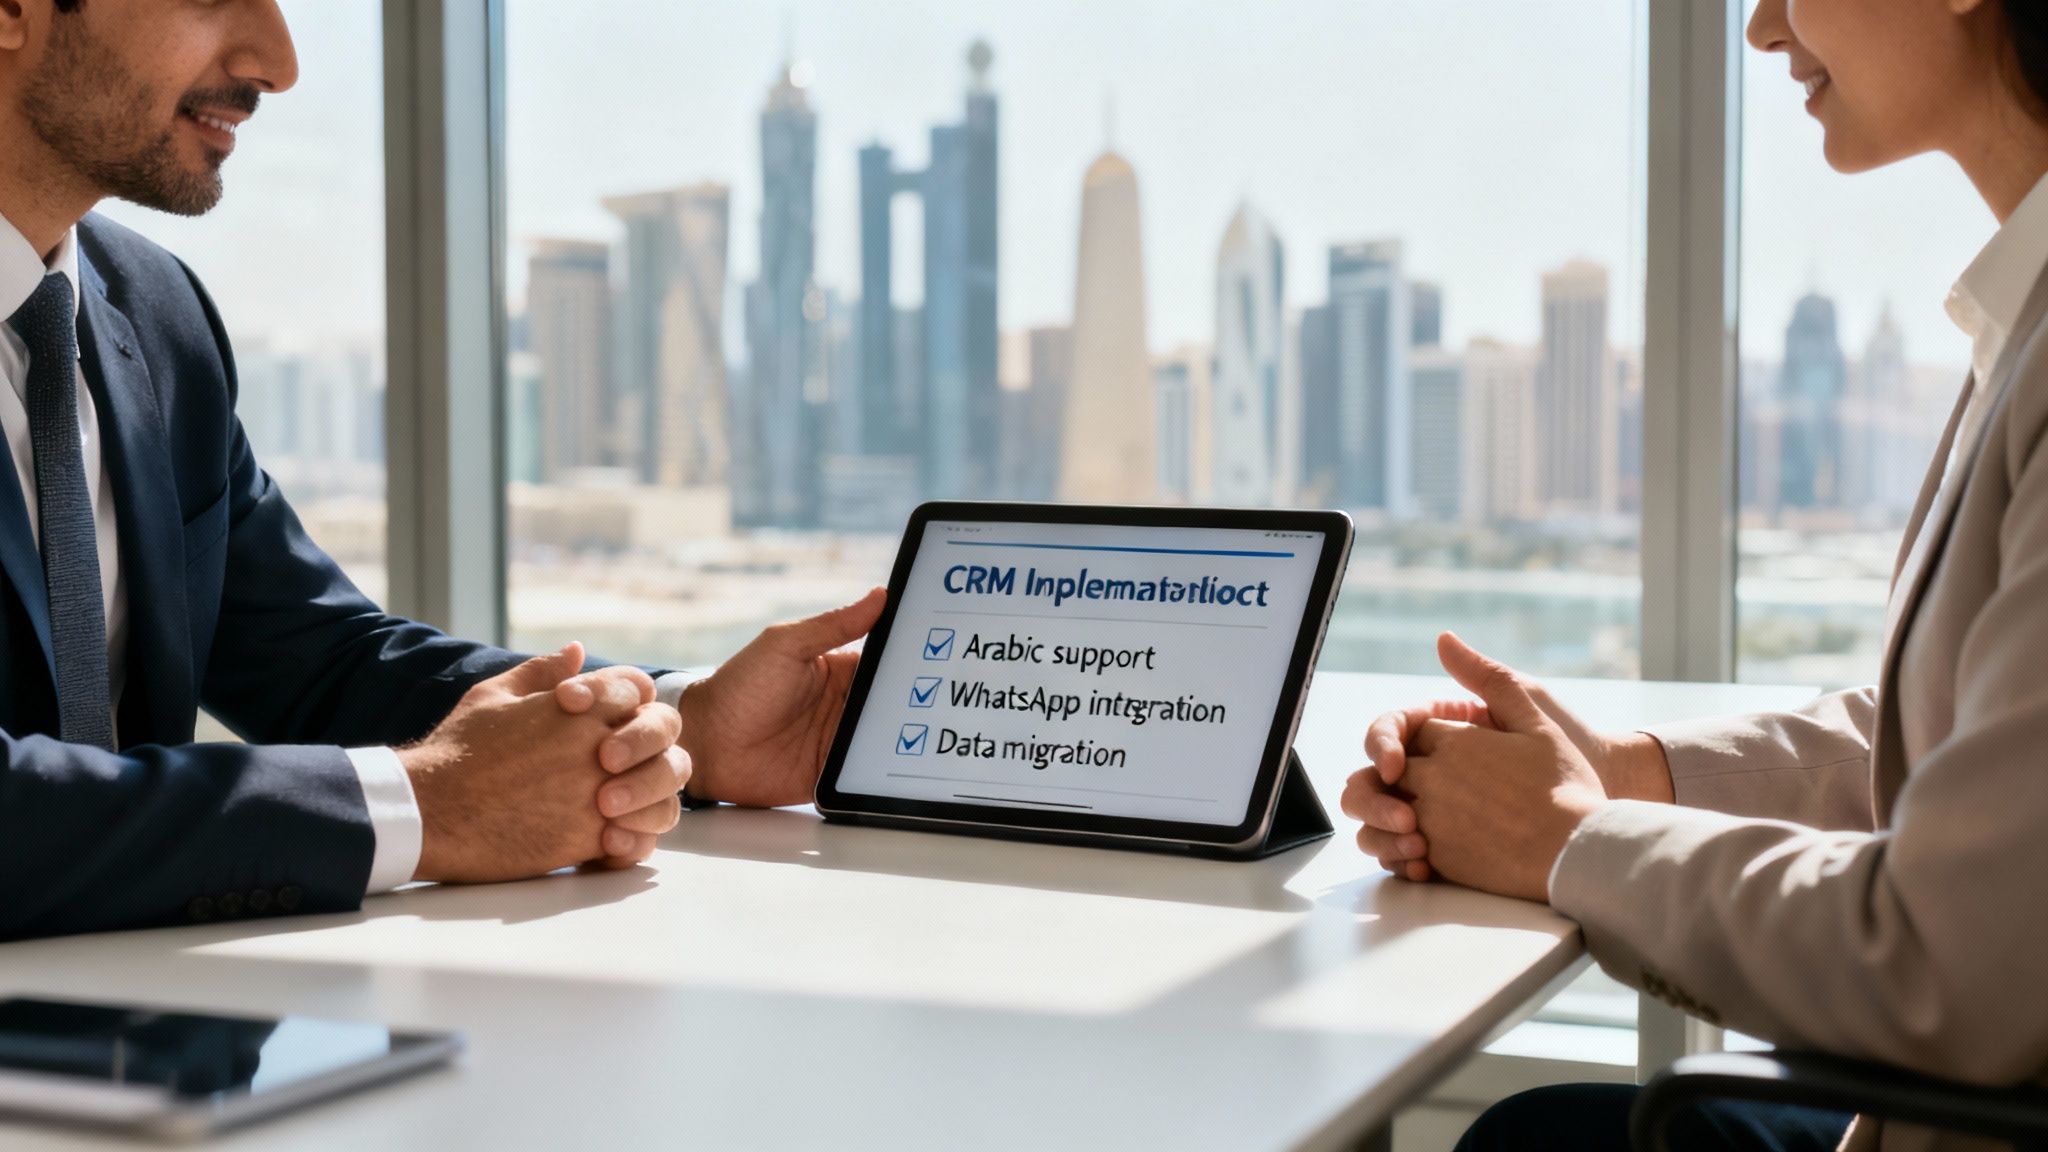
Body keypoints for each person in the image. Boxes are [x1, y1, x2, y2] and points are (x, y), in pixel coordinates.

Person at [0, 0, 883, 941]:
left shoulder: (155, 312)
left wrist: (683, 727)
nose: (279, 61)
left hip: (136, 1043)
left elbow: (317, 660)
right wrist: (428, 806)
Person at [1346, 2, 2048, 1150]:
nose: (1760, 27)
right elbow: (1975, 737)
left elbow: (1944, 969)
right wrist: (1620, 773)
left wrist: (1566, 840)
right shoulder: (2019, 315)